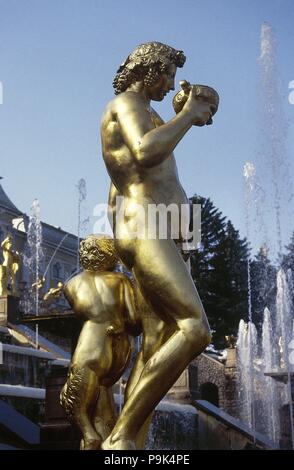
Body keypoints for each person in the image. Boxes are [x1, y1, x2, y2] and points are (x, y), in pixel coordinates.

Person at [100, 42, 218, 450]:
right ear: (148, 69)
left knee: (156, 341)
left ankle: (134, 443)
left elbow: (124, 190)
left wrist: (185, 239)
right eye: (166, 74)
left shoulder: (144, 112)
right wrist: (186, 116)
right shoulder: (126, 103)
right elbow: (145, 152)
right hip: (146, 227)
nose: (170, 85)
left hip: (159, 229)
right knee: (195, 330)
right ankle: (121, 438)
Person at [60, 235, 141, 450]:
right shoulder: (121, 281)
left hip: (88, 345)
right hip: (117, 347)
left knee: (74, 400)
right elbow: (134, 321)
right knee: (103, 401)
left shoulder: (71, 285)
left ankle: (89, 437)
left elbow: (78, 311)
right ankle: (103, 440)